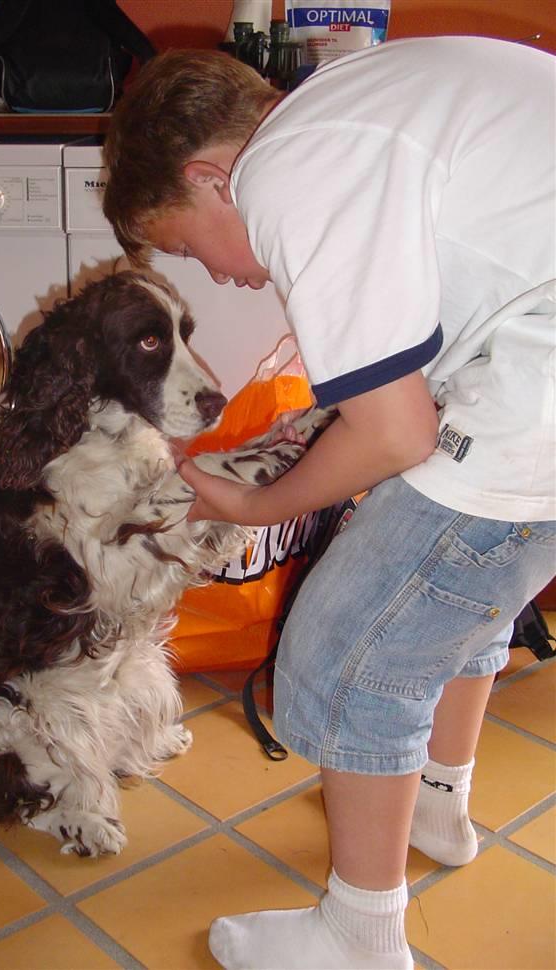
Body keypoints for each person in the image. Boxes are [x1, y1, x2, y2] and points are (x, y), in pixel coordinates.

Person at [102, 36, 556, 970]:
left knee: (353, 648)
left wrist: (258, 508)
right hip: (535, 350)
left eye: (191, 245)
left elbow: (395, 436)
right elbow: (410, 367)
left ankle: (359, 939)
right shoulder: (344, 99)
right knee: (462, 595)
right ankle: (435, 799)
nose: (223, 274)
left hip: (541, 390)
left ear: (211, 176)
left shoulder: (291, 170)